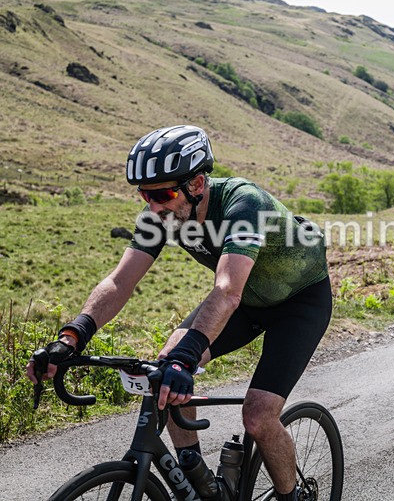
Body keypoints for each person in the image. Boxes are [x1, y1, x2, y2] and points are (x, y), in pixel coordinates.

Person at [27, 125, 330, 501]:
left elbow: (227, 289)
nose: (153, 206)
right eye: (144, 194)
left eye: (163, 193)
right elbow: (120, 282)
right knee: (163, 372)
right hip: (247, 303)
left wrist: (188, 356)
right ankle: (198, 478)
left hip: (298, 303)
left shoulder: (244, 204)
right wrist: (71, 336)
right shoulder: (160, 216)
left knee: (258, 415)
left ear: (198, 184)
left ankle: (291, 496)